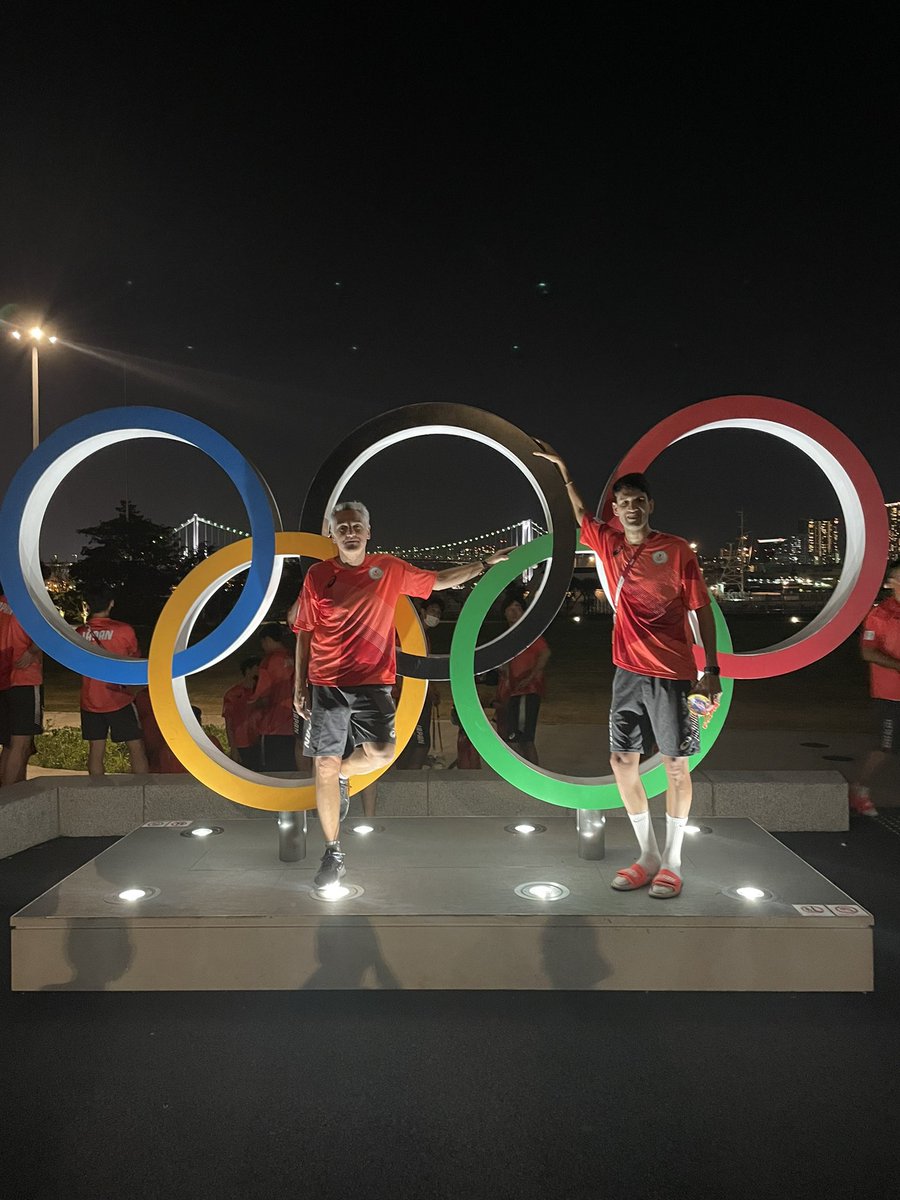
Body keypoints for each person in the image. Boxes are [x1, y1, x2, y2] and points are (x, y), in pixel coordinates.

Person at [293, 500, 507, 888]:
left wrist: (483, 565)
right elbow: (304, 631)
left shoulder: (388, 568)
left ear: (368, 532)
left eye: (356, 526)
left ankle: (343, 774)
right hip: (326, 683)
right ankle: (332, 853)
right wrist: (299, 686)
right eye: (342, 527)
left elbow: (437, 581)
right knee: (322, 764)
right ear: (332, 535)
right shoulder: (318, 575)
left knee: (380, 754)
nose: (350, 532)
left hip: (373, 681)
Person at [535, 448, 719, 899]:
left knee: (676, 765)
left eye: (638, 501)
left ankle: (673, 862)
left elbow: (702, 610)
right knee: (621, 762)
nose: (631, 508)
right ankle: (648, 855)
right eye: (624, 503)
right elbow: (580, 512)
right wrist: (564, 470)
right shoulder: (610, 544)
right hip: (626, 674)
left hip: (673, 673)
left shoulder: (676, 551)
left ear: (650, 505)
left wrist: (710, 669)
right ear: (616, 511)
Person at [76, 590, 149, 776]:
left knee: (96, 750)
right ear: (111, 603)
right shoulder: (124, 630)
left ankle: (97, 790)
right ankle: (142, 788)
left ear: (88, 606)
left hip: (90, 700)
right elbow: (134, 659)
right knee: (135, 746)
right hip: (119, 698)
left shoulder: (80, 633)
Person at [848, 559, 900, 817]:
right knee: (884, 747)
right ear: (891, 583)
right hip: (890, 695)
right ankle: (859, 790)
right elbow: (868, 652)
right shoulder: (880, 615)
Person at [0, 583, 44, 786]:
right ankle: (11, 797)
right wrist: (33, 651)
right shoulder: (27, 606)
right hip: (25, 679)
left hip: (4, 680)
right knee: (21, 742)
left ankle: (7, 791)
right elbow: (44, 636)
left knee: (9, 744)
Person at [498, 596, 550, 765]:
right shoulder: (505, 637)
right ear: (504, 612)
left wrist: (531, 677)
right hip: (512, 692)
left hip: (527, 691)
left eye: (518, 608)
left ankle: (533, 772)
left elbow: (545, 653)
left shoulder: (529, 634)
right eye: (510, 608)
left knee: (524, 738)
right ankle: (524, 771)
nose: (514, 612)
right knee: (514, 737)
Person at [251, 623, 296, 773]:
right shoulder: (293, 656)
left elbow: (263, 692)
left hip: (274, 725)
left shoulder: (269, 661)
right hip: (294, 722)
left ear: (268, 639)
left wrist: (253, 703)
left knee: (273, 771)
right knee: (292, 766)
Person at [222, 656, 262, 771]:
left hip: (260, 741)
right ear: (248, 670)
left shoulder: (262, 692)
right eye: (257, 668)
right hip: (242, 742)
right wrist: (233, 748)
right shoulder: (233, 694)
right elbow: (229, 723)